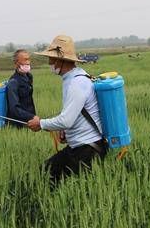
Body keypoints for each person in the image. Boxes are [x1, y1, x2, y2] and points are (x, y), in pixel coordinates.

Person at [27, 35, 107, 185]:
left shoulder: (77, 83)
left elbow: (66, 120)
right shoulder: (73, 78)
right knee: (44, 174)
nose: (50, 63)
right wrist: (66, 132)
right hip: (80, 146)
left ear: (62, 60)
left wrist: (41, 123)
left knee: (55, 182)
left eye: (52, 59)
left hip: (87, 150)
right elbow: (74, 115)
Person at [6, 49, 36, 128]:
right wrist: (32, 117)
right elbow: (14, 109)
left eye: (29, 59)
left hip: (30, 122)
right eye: (25, 60)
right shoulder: (13, 82)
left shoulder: (29, 76)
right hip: (19, 124)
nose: (28, 62)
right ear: (16, 63)